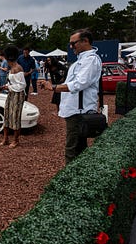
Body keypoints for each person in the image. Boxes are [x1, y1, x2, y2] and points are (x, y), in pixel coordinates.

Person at [40, 28, 102, 164]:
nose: (71, 46)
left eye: (73, 43)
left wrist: (54, 87)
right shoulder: (81, 60)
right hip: (74, 110)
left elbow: (79, 84)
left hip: (79, 111)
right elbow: (73, 82)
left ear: (85, 41)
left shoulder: (90, 60)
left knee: (72, 148)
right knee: (79, 147)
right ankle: (81, 177)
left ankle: (69, 181)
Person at [0, 45, 26, 149]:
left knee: (15, 116)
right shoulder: (11, 68)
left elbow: (22, 85)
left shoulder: (17, 68)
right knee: (6, 114)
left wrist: (9, 87)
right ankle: (5, 139)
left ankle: (16, 140)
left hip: (18, 94)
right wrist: (8, 86)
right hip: (11, 93)